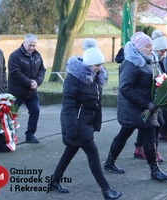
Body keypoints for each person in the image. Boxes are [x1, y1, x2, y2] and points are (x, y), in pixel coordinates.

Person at [49, 38, 123, 200]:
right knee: (93, 153)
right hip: (76, 123)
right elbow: (68, 107)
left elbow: (96, 103)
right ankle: (106, 190)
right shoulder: (73, 79)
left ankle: (54, 180)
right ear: (88, 64)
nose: (99, 68)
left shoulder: (95, 78)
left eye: (101, 64)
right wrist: (71, 129)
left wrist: (96, 122)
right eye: (96, 65)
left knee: (70, 151)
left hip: (86, 122)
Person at [103, 32, 167, 182]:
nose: (150, 49)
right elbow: (125, 88)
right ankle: (154, 170)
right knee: (147, 137)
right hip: (135, 107)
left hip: (144, 107)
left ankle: (109, 162)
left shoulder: (148, 60)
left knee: (124, 134)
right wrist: (146, 103)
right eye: (147, 46)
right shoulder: (131, 63)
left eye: (151, 46)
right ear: (139, 48)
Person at [133, 30, 167, 162]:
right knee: (126, 132)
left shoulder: (153, 60)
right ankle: (150, 155)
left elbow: (157, 76)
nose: (161, 53)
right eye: (160, 51)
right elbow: (128, 87)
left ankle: (145, 152)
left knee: (157, 124)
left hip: (151, 101)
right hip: (142, 101)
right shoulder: (135, 63)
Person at [8, 33, 46, 144]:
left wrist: (37, 82)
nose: (32, 48)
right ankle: (9, 136)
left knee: (35, 111)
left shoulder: (37, 55)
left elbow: (42, 70)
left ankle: (30, 135)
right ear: (24, 43)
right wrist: (29, 82)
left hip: (32, 91)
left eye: (34, 45)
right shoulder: (15, 55)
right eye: (30, 45)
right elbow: (15, 73)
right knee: (10, 114)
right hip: (17, 91)